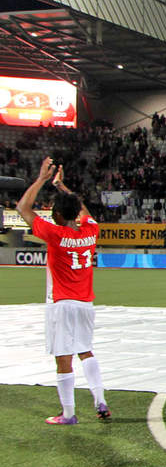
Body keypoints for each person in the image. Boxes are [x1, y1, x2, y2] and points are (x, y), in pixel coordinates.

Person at [17, 157, 108, 424]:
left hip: (61, 304)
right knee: (86, 350)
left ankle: (68, 414)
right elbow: (82, 210)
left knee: (63, 358)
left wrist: (42, 179)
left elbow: (23, 208)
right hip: (85, 304)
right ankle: (100, 400)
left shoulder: (55, 234)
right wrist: (61, 186)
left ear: (57, 215)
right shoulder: (91, 231)